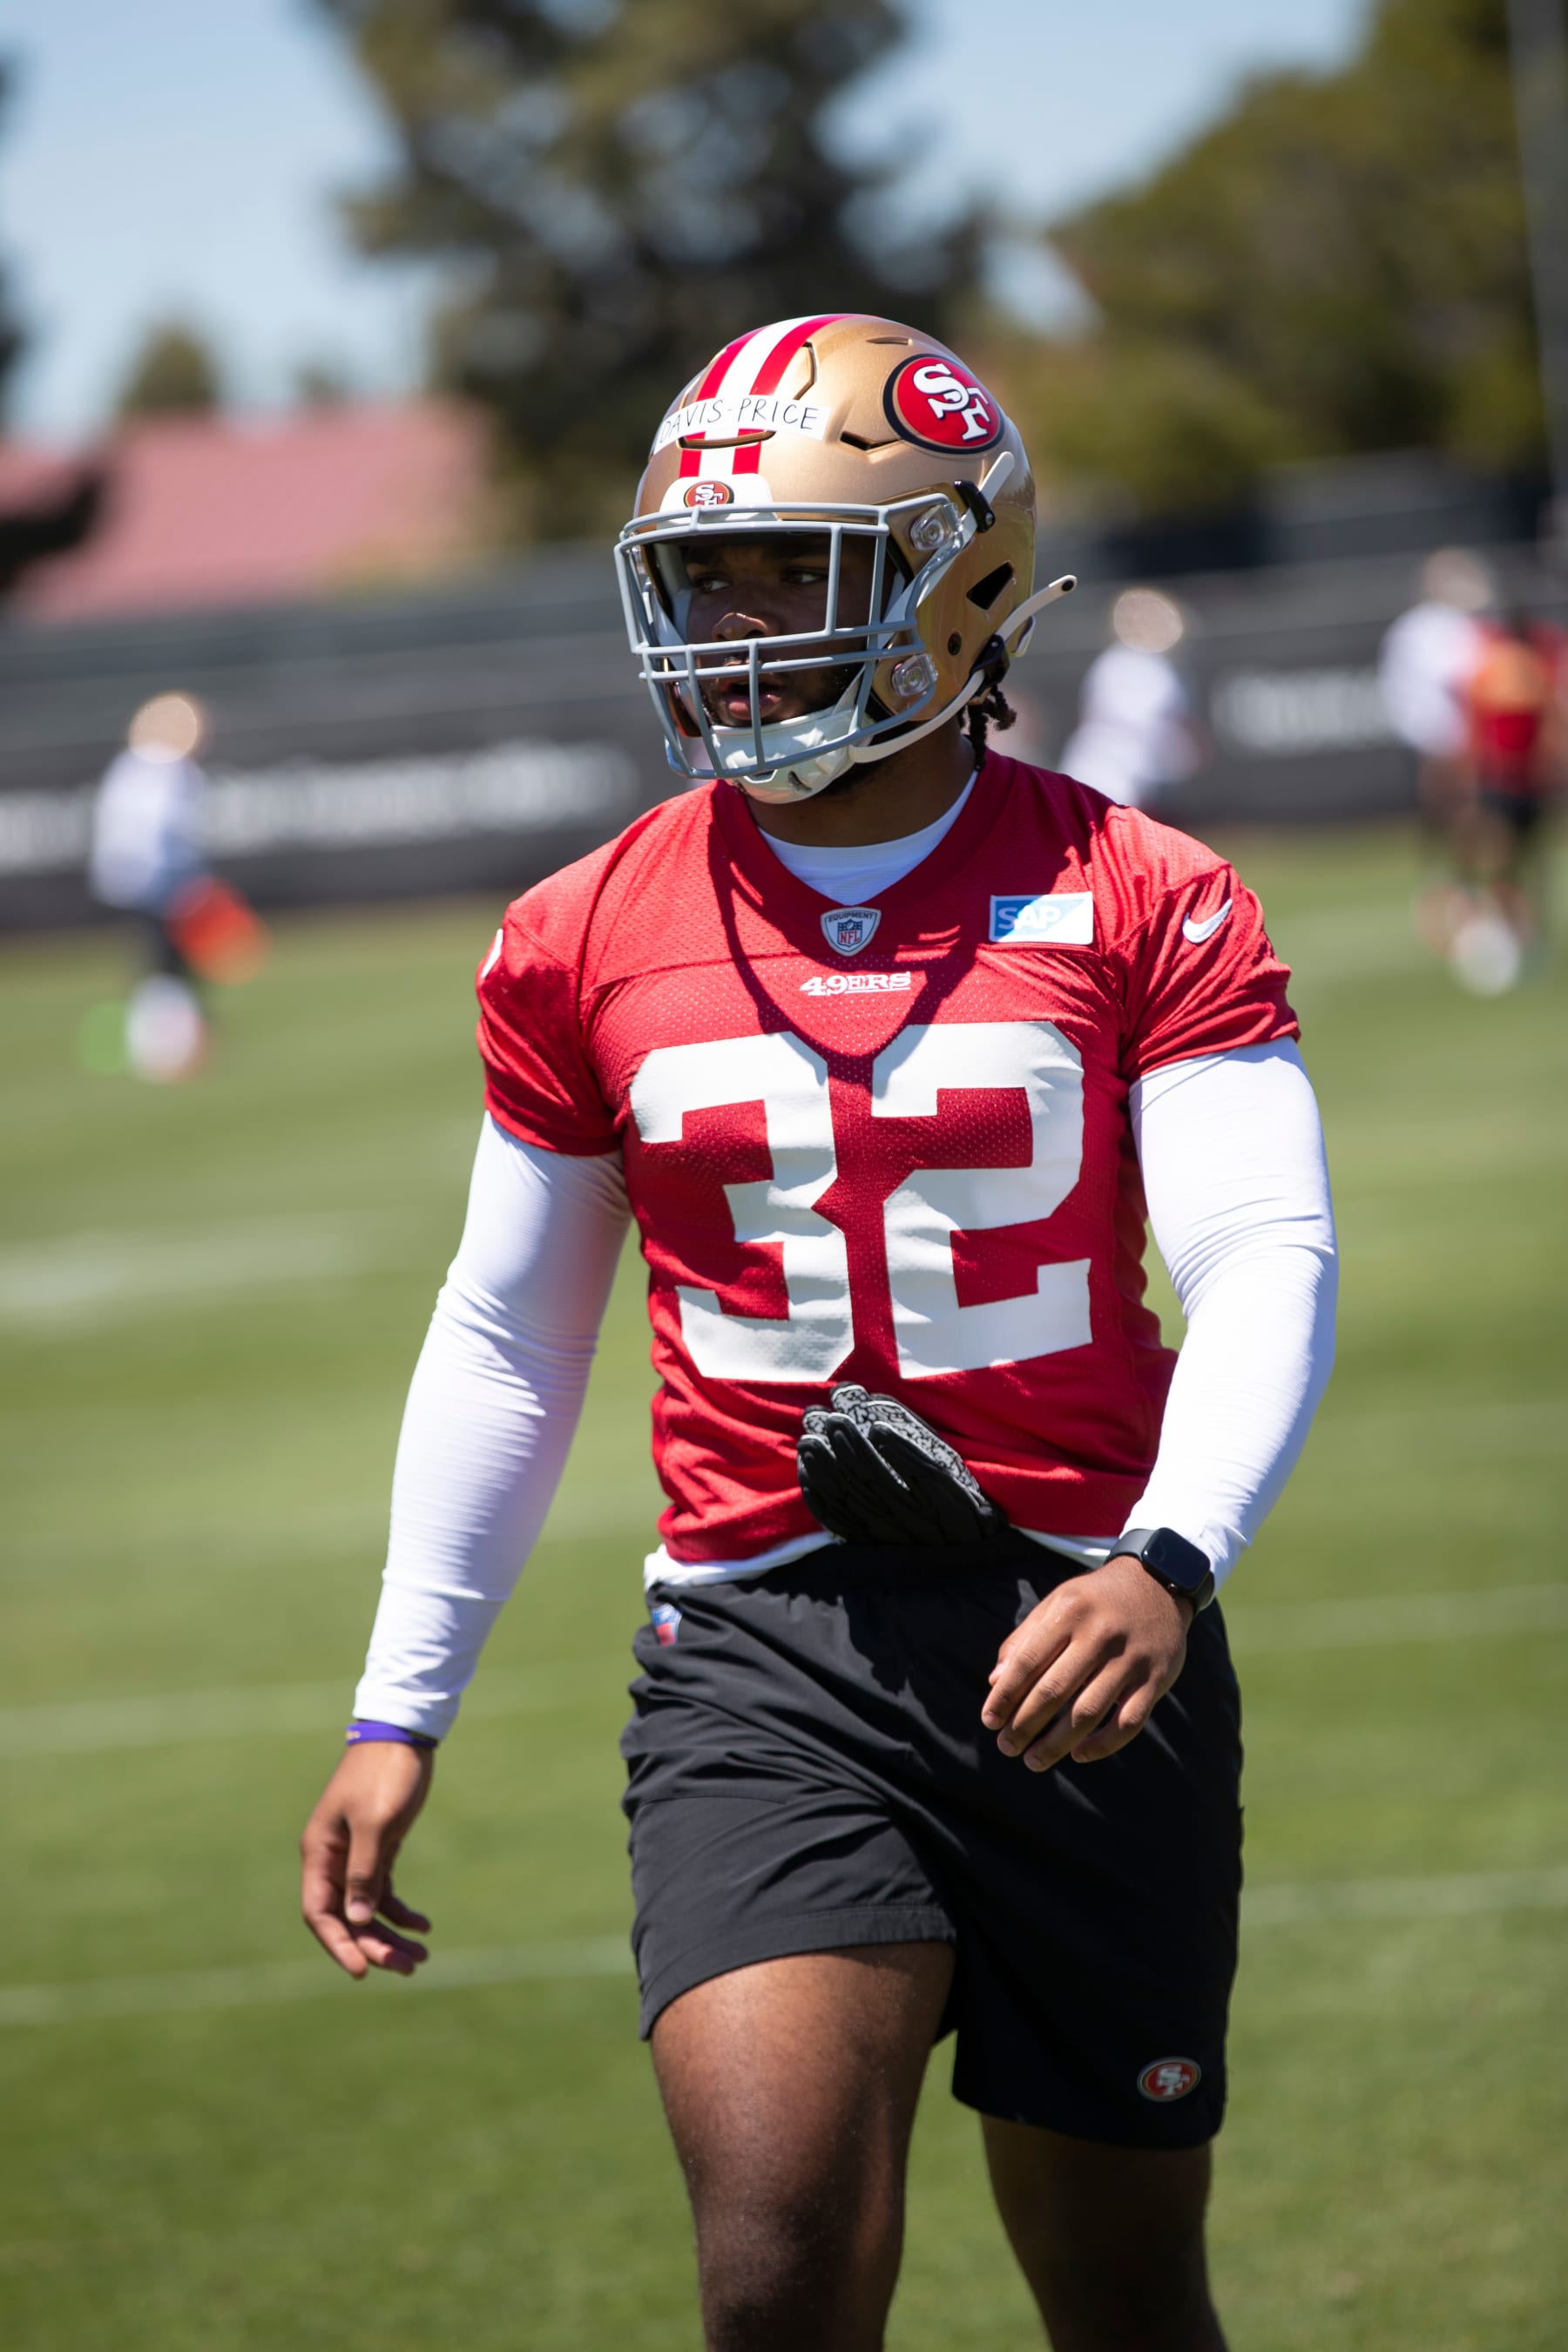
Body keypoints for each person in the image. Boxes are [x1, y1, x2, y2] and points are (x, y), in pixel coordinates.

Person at [301, 314, 1338, 2352]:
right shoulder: (579, 925)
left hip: (1090, 1639)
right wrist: (393, 1697)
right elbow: (510, 1331)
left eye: (793, 564)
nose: (736, 618)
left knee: (1129, 2302)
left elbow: (1265, 1248)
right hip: (767, 1647)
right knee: (776, 2260)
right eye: (706, 572)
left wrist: (1170, 1551)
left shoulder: (1148, 889)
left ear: (956, 578)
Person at [88, 693, 212, 1079]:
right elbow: (167, 834)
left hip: (123, 880)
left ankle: (166, 1043)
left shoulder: (128, 766)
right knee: (168, 965)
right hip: (157, 881)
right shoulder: (172, 771)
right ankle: (166, 1048)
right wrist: (185, 885)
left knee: (157, 964)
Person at [1057, 585, 1203, 810]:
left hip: (1121, 772)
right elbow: (1147, 723)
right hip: (1109, 770)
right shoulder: (1126, 663)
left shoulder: (1131, 664)